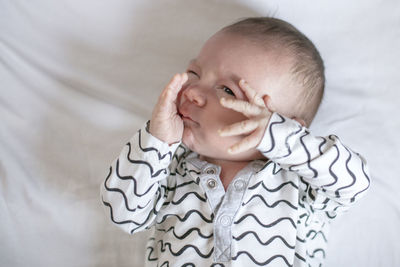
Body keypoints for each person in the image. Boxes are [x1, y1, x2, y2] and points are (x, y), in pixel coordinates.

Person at [100, 17, 370, 266]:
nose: (192, 91)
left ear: (286, 126)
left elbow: (354, 182)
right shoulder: (171, 168)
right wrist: (158, 140)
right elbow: (124, 214)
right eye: (194, 73)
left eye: (228, 90)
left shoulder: (298, 185)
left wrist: (278, 137)